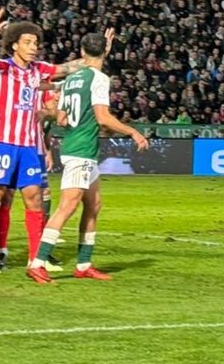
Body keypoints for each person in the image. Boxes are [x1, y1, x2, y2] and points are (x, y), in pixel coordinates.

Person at [0, 7, 82, 275]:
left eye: (36, 43)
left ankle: (35, 258)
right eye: (28, 43)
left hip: (30, 144)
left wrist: (95, 55)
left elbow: (67, 67)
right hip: (2, 141)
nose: (33, 47)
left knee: (34, 197)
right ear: (14, 45)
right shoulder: (1, 68)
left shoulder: (38, 70)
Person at [28, 30, 149, 283]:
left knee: (93, 206)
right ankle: (38, 262)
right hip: (81, 150)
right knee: (67, 206)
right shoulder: (99, 79)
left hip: (78, 147)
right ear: (105, 52)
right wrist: (133, 132)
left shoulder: (73, 78)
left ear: (82, 52)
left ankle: (83, 264)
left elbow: (61, 118)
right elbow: (103, 117)